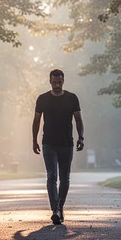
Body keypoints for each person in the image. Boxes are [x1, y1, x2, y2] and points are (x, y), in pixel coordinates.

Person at [32, 69, 84, 225]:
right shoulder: (42, 99)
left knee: (65, 178)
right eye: (54, 82)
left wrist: (81, 137)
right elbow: (36, 121)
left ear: (63, 81)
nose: (57, 85)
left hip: (66, 143)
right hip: (48, 143)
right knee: (51, 176)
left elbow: (78, 120)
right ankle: (55, 209)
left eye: (59, 82)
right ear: (50, 81)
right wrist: (34, 140)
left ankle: (60, 207)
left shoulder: (72, 98)